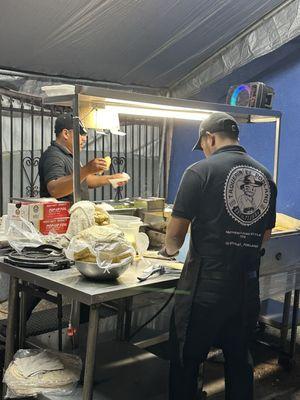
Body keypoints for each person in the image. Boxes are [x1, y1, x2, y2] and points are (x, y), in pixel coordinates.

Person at [160, 112, 277, 400]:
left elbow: (174, 238)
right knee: (239, 361)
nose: (204, 150)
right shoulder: (265, 177)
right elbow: (265, 234)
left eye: (203, 144)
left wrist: (168, 252)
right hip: (246, 287)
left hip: (205, 289)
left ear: (209, 138)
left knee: (187, 360)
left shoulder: (200, 171)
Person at [39, 113, 126, 202]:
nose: (84, 139)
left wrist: (111, 178)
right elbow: (55, 189)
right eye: (80, 134)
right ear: (66, 134)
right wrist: (86, 169)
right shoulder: (54, 156)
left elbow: (83, 180)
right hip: (61, 215)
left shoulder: (69, 155)